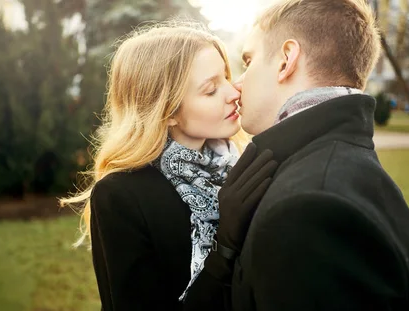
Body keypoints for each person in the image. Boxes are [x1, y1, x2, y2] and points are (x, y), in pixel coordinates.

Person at [197, 0, 409, 310]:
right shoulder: (348, 165)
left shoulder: (308, 209)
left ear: (286, 59)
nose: (237, 85)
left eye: (249, 60)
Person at [59, 21, 277, 310]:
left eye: (226, 77)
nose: (233, 91)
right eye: (211, 89)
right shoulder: (121, 195)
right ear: (168, 111)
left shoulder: (241, 166)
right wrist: (224, 244)